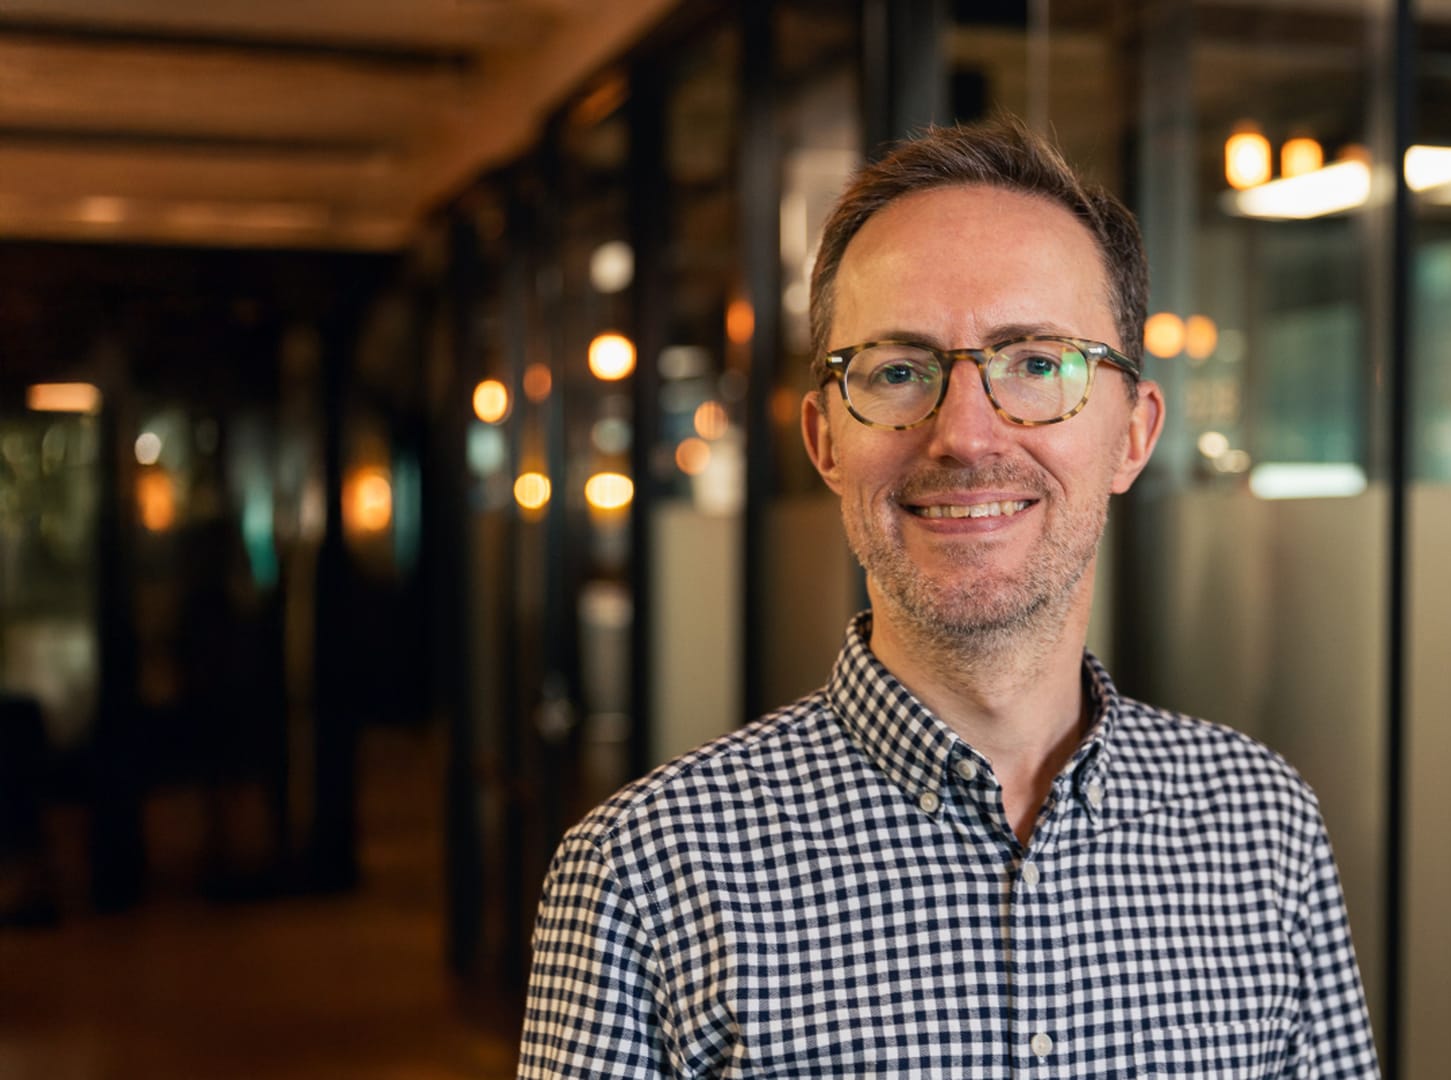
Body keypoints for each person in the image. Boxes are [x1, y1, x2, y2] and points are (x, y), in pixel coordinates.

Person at [519, 118, 1380, 1079]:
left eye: (1038, 363)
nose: (965, 435)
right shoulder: (643, 874)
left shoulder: (1264, 827)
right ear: (826, 442)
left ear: (1133, 436)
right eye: (897, 372)